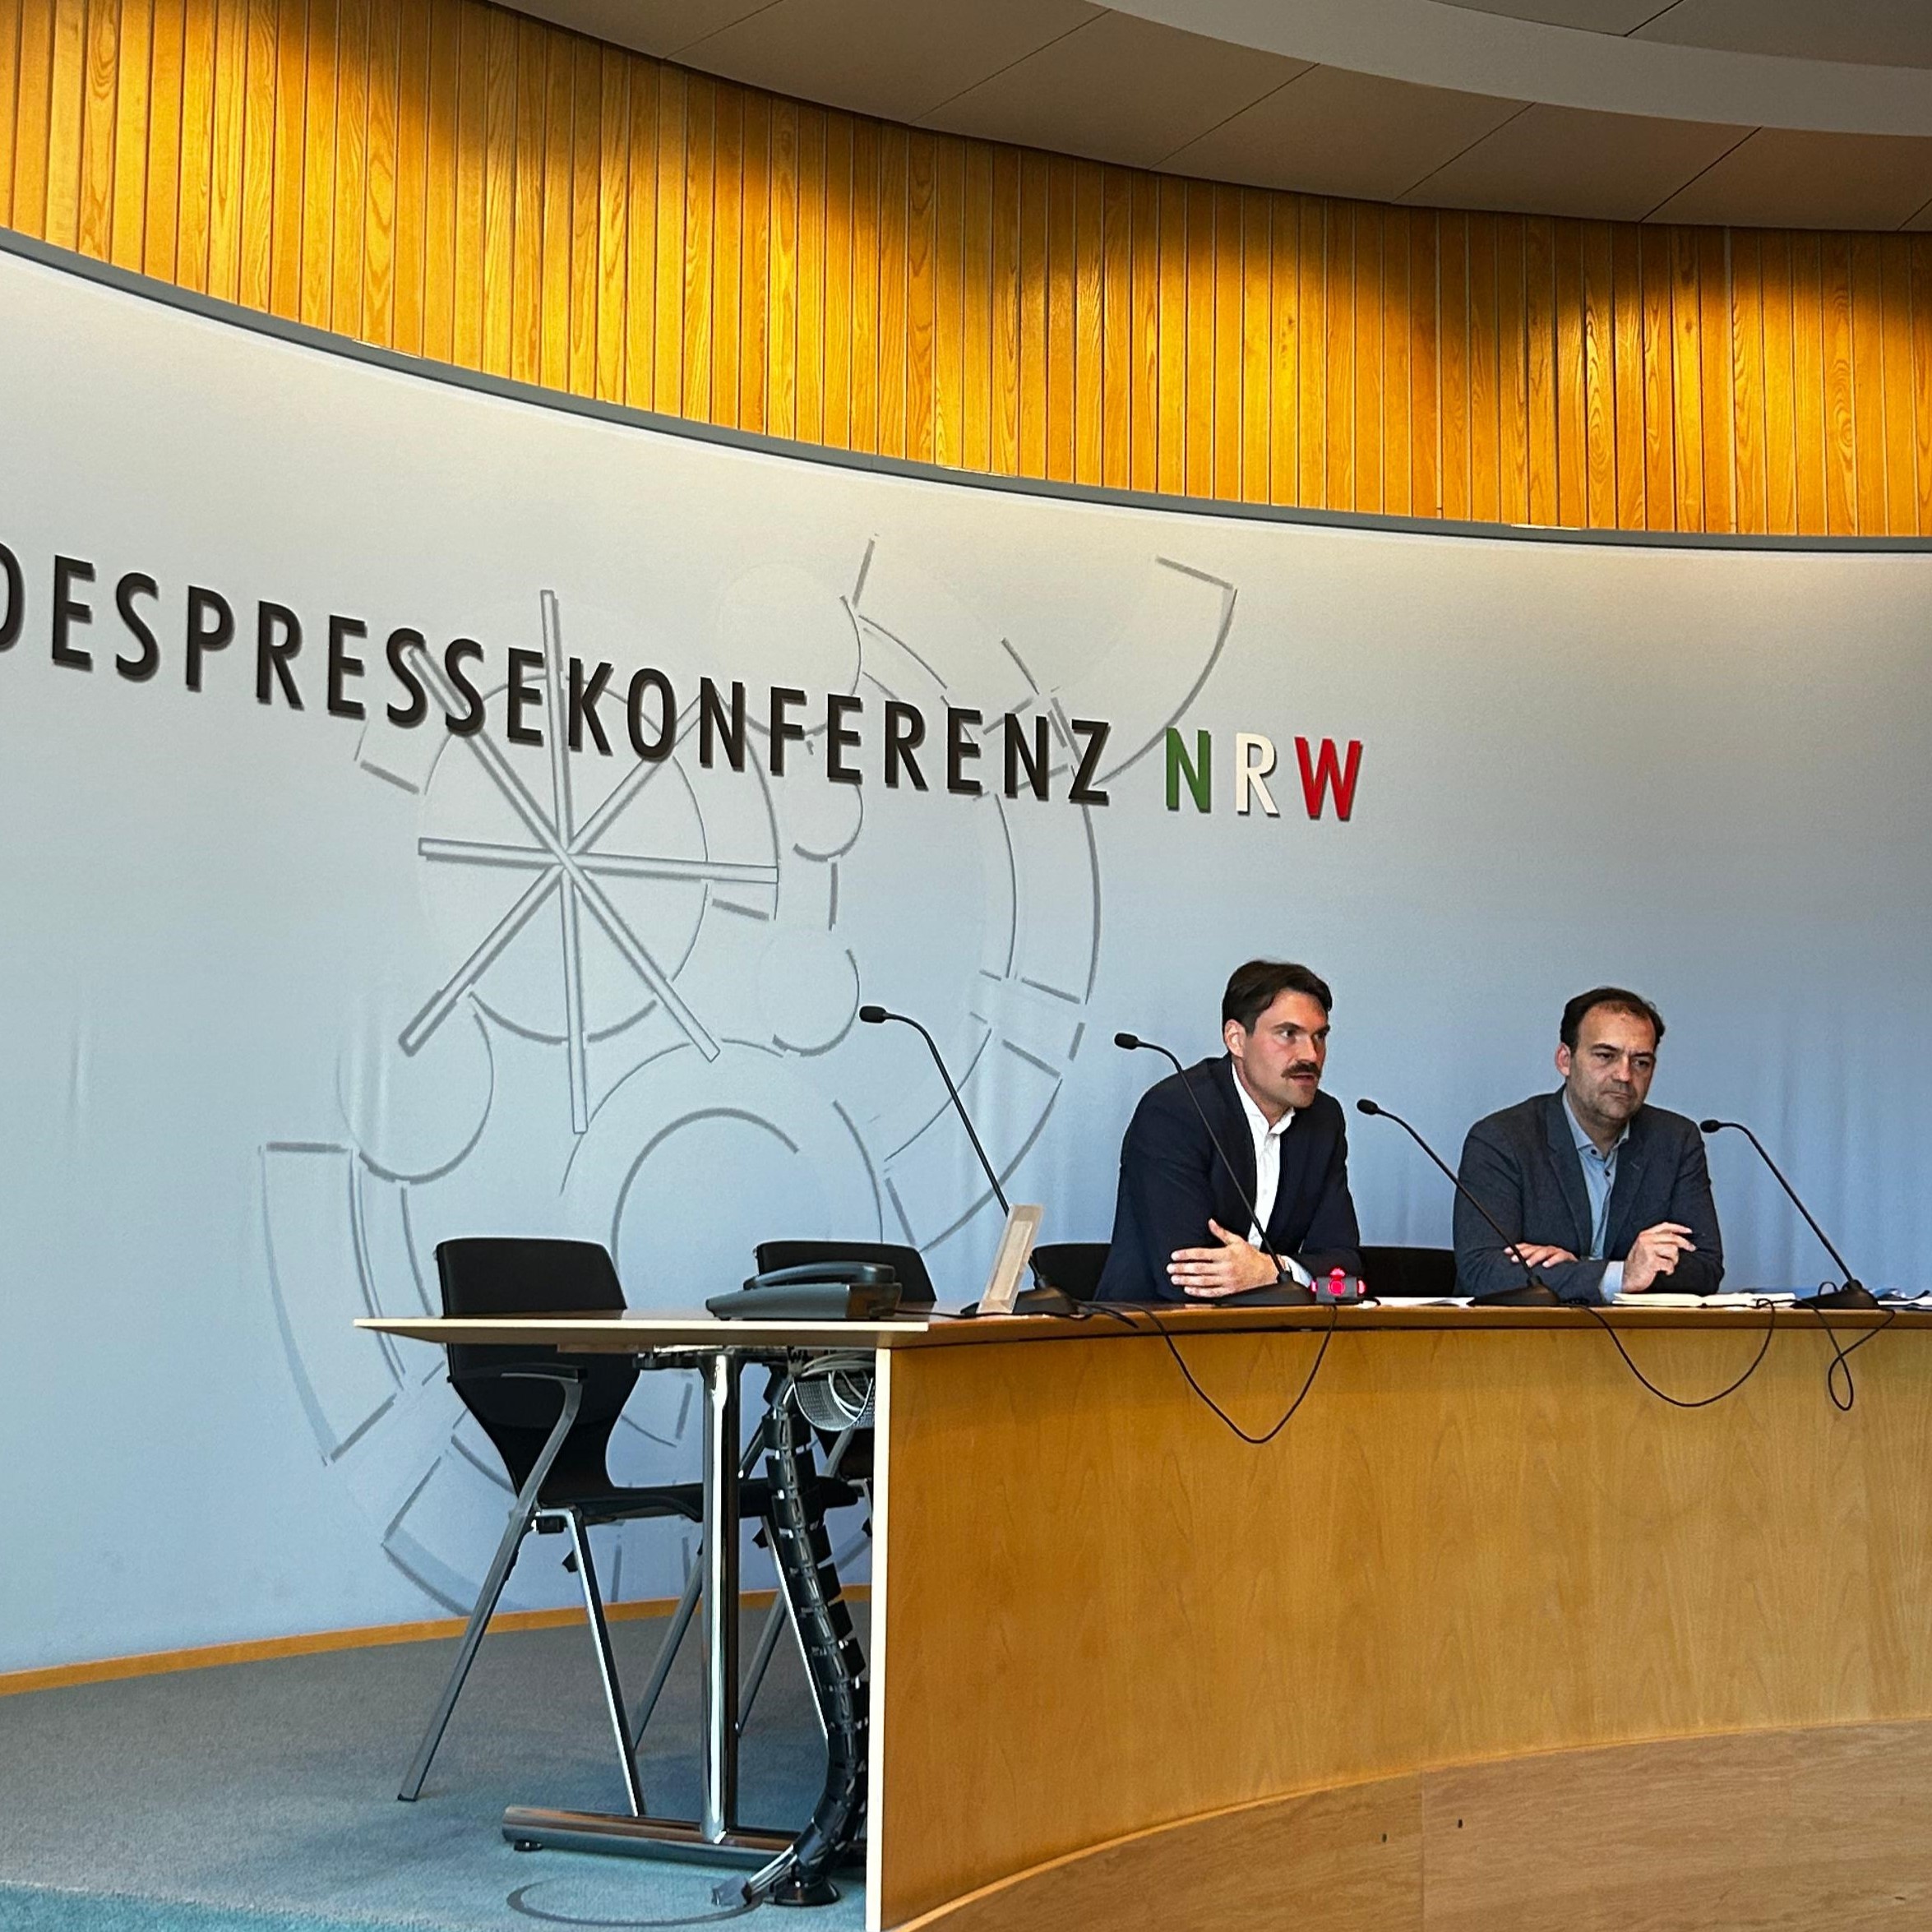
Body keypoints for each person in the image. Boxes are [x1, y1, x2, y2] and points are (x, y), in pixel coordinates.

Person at [1096, 959, 1361, 1303]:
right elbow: (1185, 1278)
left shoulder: (1323, 1120)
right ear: (1236, 1039)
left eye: (1319, 1036)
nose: (1311, 1054)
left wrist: (1272, 1269)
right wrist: (1296, 1278)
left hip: (1275, 1339)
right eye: (1288, 1034)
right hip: (1150, 1334)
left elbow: (1346, 1266)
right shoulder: (1176, 1112)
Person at [1454, 987, 1723, 1302]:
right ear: (1565, 1060)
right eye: (1606, 1056)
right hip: (1524, 1342)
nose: (1624, 1075)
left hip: (1639, 1344)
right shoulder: (1502, 1139)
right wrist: (1617, 1275)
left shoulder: (1675, 1140)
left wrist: (1589, 1271)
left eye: (1641, 1062)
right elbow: (1483, 1270)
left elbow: (1704, 1268)